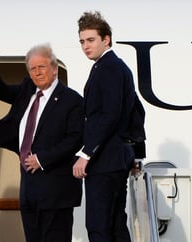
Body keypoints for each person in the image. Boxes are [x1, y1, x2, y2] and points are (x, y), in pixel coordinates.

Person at [0, 38, 84, 242]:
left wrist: (41, 159)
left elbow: (75, 139)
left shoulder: (72, 100)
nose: (37, 72)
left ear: (55, 69)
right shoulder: (27, 90)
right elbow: (2, 91)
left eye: (42, 67)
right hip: (29, 189)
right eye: (32, 68)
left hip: (56, 190)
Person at [73, 11, 139, 242]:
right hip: (117, 159)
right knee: (115, 224)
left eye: (90, 40)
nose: (85, 46)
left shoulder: (108, 67)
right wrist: (135, 154)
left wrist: (86, 153)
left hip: (105, 160)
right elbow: (137, 111)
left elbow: (108, 115)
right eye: (82, 41)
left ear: (106, 39)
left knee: (99, 226)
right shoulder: (118, 67)